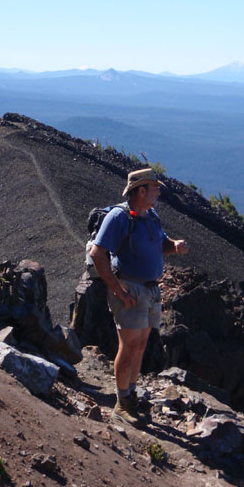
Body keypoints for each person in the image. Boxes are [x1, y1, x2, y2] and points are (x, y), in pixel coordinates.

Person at [89, 167, 188, 426]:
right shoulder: (119, 217)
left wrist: (174, 246)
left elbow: (161, 244)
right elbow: (98, 254)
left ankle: (131, 395)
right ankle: (122, 404)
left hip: (149, 289)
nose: (158, 192)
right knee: (129, 346)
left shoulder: (151, 216)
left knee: (141, 345)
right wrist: (118, 290)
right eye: (155, 188)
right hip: (130, 289)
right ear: (141, 190)